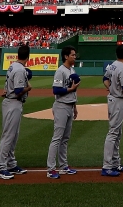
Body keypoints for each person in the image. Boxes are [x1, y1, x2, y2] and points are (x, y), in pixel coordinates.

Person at [0, 44, 32, 179]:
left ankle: (10, 164)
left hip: (11, 102)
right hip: (13, 102)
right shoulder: (20, 69)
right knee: (8, 136)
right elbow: (18, 91)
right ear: (28, 57)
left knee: (13, 135)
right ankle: (1, 168)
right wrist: (28, 88)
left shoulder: (12, 66)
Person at [45, 46, 79, 179]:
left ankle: (63, 166)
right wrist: (71, 89)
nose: (75, 57)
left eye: (75, 55)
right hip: (61, 106)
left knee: (65, 139)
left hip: (70, 106)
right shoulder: (60, 71)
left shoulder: (72, 70)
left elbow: (73, 91)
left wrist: (75, 107)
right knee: (57, 138)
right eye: (73, 55)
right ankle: (50, 169)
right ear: (66, 56)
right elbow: (56, 90)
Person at [101, 45, 123, 176]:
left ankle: (115, 163)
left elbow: (105, 79)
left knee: (117, 133)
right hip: (118, 101)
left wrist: (111, 88)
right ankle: (107, 166)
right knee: (113, 132)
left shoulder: (112, 65)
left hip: (113, 99)